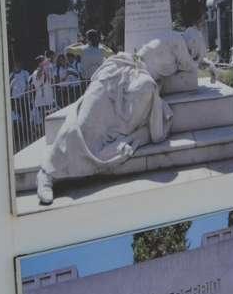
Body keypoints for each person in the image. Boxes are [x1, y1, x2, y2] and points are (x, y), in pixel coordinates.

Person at [36, 28, 204, 205]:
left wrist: (203, 61)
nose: (192, 52)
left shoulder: (176, 55)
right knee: (85, 120)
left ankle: (53, 171)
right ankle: (47, 172)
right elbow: (191, 64)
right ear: (191, 41)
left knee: (105, 129)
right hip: (121, 69)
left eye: (194, 52)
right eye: (194, 50)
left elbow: (189, 65)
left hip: (139, 86)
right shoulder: (176, 40)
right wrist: (206, 63)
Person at [30, 54, 57, 129]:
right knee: (45, 120)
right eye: (43, 61)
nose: (46, 62)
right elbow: (38, 77)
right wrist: (43, 66)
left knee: (51, 119)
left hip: (49, 99)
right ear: (40, 63)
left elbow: (52, 81)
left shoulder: (47, 70)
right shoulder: (35, 72)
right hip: (41, 100)